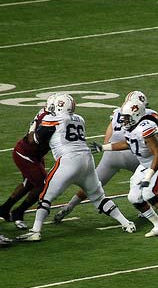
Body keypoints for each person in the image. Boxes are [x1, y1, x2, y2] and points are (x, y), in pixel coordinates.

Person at [53, 91, 158, 222]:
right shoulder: (148, 115)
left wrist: (106, 148)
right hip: (136, 154)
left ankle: (69, 206)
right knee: (149, 181)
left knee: (94, 183)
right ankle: (148, 209)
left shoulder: (117, 113)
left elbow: (108, 136)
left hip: (113, 153)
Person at [16, 93, 136, 242]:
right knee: (98, 197)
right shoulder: (80, 119)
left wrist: (34, 124)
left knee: (46, 196)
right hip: (87, 160)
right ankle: (126, 223)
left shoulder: (52, 118)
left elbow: (33, 141)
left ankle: (36, 231)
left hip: (68, 160)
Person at [90, 99, 158, 238]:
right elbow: (128, 143)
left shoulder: (146, 127)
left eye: (127, 117)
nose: (123, 120)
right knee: (134, 197)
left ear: (136, 115)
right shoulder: (130, 127)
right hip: (145, 165)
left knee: (149, 193)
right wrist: (103, 147)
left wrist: (148, 178)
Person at [0, 97, 54, 229]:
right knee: (42, 185)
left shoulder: (46, 114)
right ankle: (18, 212)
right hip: (26, 153)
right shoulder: (47, 117)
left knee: (29, 183)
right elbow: (32, 139)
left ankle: (4, 209)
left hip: (34, 154)